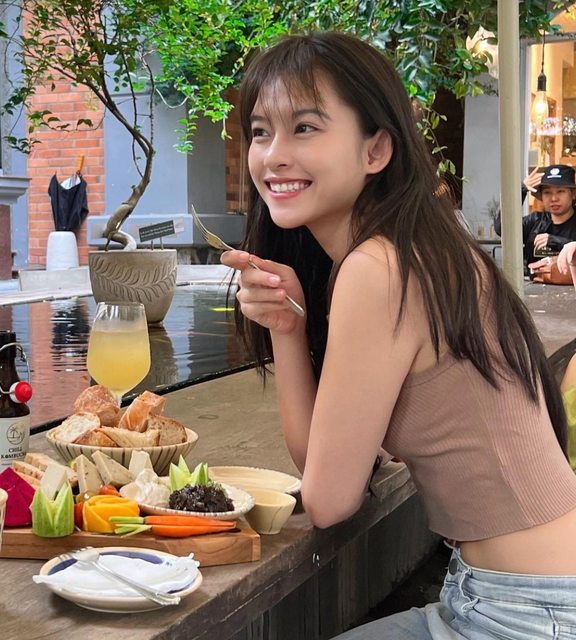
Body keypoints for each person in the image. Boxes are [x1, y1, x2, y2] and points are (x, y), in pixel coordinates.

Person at [222, 31, 576, 639]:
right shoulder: (412, 250)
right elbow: (330, 466)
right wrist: (288, 325)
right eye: (260, 131)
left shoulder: (379, 269)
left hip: (528, 615)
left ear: (376, 149)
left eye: (305, 127)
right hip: (511, 593)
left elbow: (328, 500)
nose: (273, 155)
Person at [494, 164, 576, 266]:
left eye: (560, 191)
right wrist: (521, 190)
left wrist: (555, 241)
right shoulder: (536, 221)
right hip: (533, 276)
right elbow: (502, 229)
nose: (554, 198)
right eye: (547, 192)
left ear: (573, 194)